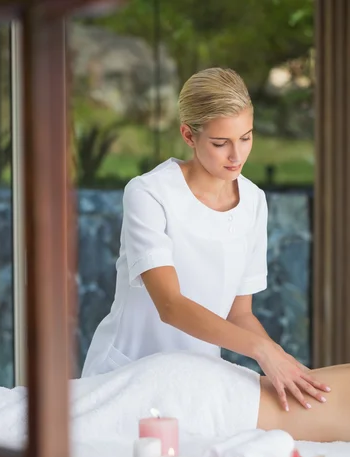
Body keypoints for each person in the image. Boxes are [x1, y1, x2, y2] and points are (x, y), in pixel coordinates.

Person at [82, 67, 331, 413]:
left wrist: (282, 361)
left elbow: (239, 313)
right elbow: (170, 305)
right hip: (124, 377)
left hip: (195, 384)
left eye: (246, 138)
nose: (237, 156)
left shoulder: (254, 201)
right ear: (188, 135)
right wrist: (261, 351)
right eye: (220, 143)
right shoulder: (149, 193)